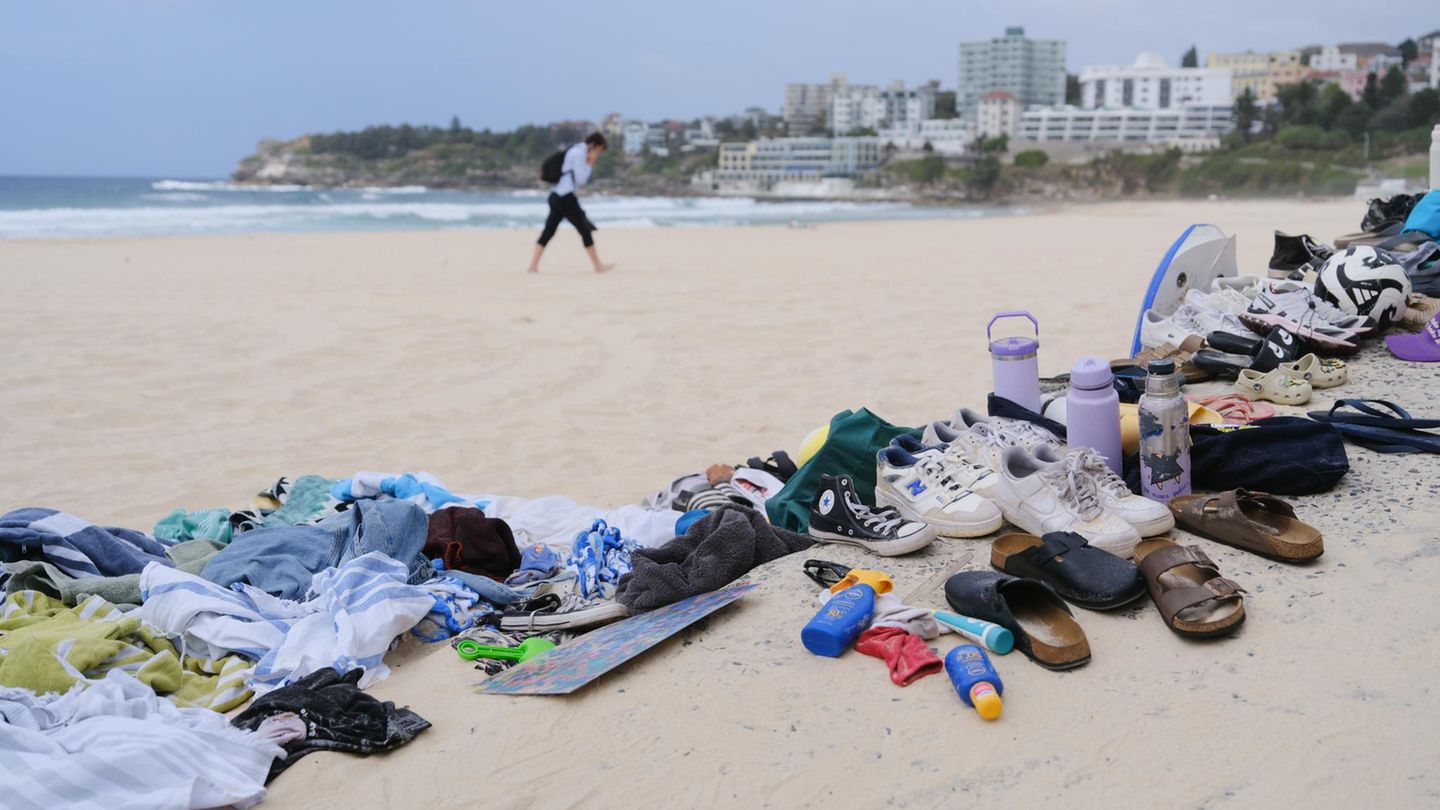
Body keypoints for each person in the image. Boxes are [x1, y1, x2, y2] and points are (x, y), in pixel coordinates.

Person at [527, 132, 614, 274]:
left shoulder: (574, 149)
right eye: (599, 150)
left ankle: (533, 266)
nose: (598, 154)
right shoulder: (579, 154)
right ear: (594, 146)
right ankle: (598, 267)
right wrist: (590, 163)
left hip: (555, 196)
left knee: (549, 231)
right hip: (565, 197)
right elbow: (581, 180)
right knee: (585, 230)